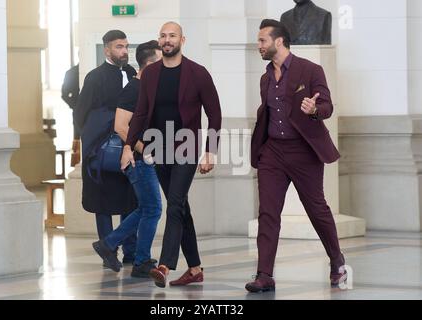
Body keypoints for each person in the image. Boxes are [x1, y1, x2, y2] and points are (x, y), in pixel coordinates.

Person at [246, 19, 346, 293]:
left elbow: (326, 105)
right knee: (268, 212)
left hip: (304, 151)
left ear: (279, 41)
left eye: (262, 41)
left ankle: (336, 261)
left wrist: (314, 109)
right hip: (272, 153)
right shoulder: (266, 77)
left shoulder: (310, 69)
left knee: (316, 208)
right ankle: (264, 274)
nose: (259, 46)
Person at [121, 22, 222, 288]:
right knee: (180, 207)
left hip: (187, 148)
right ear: (159, 41)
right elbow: (141, 112)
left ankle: (164, 265)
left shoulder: (198, 73)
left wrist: (210, 151)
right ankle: (195, 268)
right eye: (163, 36)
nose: (167, 40)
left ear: (182, 40)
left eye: (172, 36)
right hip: (157, 149)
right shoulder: (151, 74)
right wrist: (128, 146)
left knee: (174, 203)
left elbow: (215, 114)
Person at [92, 41, 163, 277]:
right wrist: (146, 150)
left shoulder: (150, 87)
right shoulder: (134, 89)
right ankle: (128, 253)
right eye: (161, 61)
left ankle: (116, 247)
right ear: (150, 63)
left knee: (146, 208)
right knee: (152, 208)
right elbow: (121, 127)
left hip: (145, 158)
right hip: (137, 159)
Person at [74, 30, 138, 268]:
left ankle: (131, 250)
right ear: (107, 49)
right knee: (103, 201)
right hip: (101, 150)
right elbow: (80, 114)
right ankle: (108, 250)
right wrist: (95, 142)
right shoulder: (94, 77)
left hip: (128, 145)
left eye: (126, 46)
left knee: (130, 198)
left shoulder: (132, 73)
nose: (124, 51)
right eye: (119, 47)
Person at [61, 63, 81, 166]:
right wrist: (75, 106)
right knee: (77, 139)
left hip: (89, 111)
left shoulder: (71, 72)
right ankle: (77, 165)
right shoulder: (71, 73)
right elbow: (64, 94)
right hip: (78, 112)